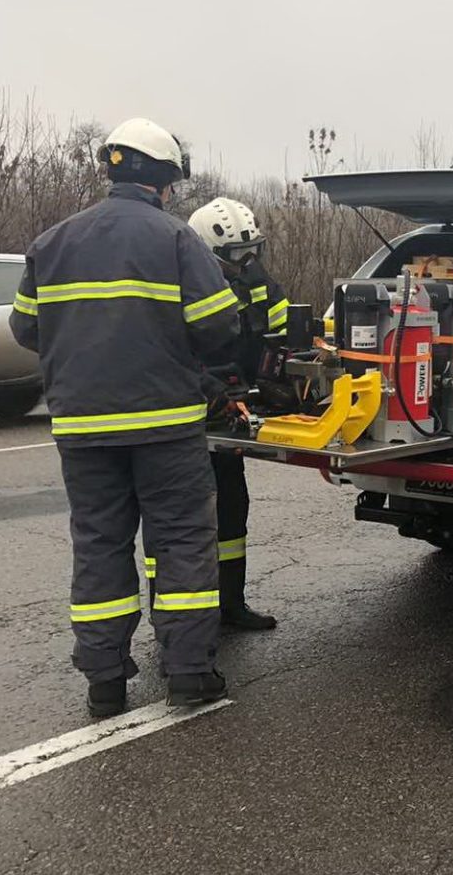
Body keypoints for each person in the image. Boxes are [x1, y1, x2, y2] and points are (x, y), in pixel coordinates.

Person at [10, 118, 239, 717]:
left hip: (82, 428)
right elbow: (219, 326)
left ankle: (105, 681)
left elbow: (24, 328)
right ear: (164, 181)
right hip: (164, 423)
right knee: (183, 540)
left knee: (99, 544)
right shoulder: (175, 240)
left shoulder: (51, 242)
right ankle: (189, 673)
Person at [181, 196, 288, 629]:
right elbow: (177, 356)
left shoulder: (259, 285)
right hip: (188, 418)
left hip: (232, 414)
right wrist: (218, 395)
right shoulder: (183, 285)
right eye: (234, 256)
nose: (244, 263)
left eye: (251, 253)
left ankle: (230, 606)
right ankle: (181, 619)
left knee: (232, 507)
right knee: (184, 521)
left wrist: (283, 384)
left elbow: (278, 339)